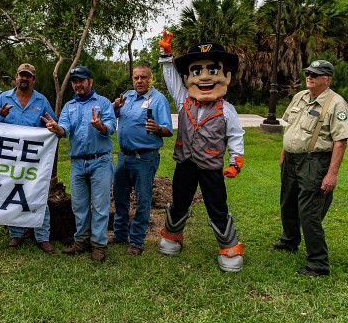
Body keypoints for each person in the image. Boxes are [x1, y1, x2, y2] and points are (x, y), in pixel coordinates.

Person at [157, 32, 246, 272]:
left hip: (211, 167)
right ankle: (172, 235)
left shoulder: (227, 110)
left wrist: (235, 161)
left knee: (217, 206)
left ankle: (228, 246)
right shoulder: (183, 100)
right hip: (185, 163)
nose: (204, 77)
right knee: (179, 201)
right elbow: (170, 80)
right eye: (197, 72)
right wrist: (166, 57)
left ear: (226, 76)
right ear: (188, 77)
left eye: (213, 71)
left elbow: (236, 136)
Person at [270, 60, 348, 276]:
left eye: (315, 74)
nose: (310, 77)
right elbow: (290, 127)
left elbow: (340, 141)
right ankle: (289, 241)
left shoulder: (336, 104)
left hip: (314, 162)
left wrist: (331, 174)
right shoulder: (300, 97)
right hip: (292, 160)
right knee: (287, 202)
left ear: (327, 79)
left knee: (309, 212)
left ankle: (318, 263)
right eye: (308, 73)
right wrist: (284, 153)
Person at [41, 66, 116, 262]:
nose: (77, 84)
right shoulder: (69, 106)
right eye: (74, 81)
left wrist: (100, 126)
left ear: (90, 82)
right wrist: (57, 129)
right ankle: (81, 241)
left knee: (100, 206)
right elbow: (64, 128)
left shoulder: (103, 103)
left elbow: (111, 126)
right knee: (79, 205)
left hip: (100, 160)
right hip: (77, 163)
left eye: (81, 80)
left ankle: (98, 245)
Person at [0, 63, 57, 254]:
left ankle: (43, 237)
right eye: (21, 75)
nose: (24, 79)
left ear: (33, 79)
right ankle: (16, 234)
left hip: (34, 159)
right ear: (16, 77)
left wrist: (50, 127)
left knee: (39, 195)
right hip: (8, 158)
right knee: (11, 194)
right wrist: (0, 116)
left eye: (29, 76)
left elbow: (53, 124)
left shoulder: (41, 101)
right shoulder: (3, 98)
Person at [111, 64, 173, 255]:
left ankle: (136, 241)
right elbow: (113, 117)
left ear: (150, 79)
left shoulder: (159, 100)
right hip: (123, 156)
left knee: (143, 200)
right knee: (120, 197)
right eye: (136, 78)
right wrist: (114, 107)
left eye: (143, 77)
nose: (139, 81)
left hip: (144, 158)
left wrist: (157, 129)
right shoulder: (127, 97)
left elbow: (168, 130)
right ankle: (120, 234)